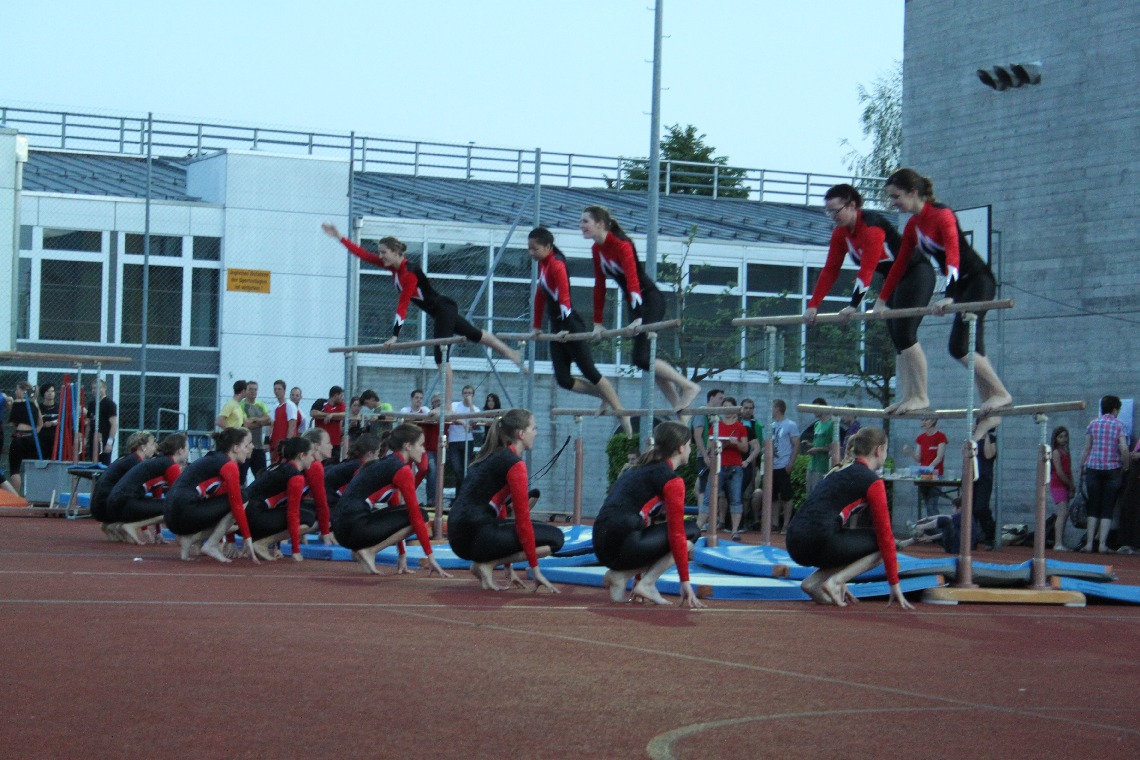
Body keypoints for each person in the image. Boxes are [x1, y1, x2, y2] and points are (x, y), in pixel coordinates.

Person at [875, 168, 1012, 414]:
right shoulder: (913, 225)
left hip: (977, 281)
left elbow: (953, 256)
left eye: (896, 196)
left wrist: (948, 294)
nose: (893, 202)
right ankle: (987, 408)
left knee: (959, 347)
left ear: (913, 192)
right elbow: (898, 266)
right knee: (970, 347)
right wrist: (882, 300)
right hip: (962, 285)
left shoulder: (942, 215)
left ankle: (1001, 393)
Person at [322, 224, 523, 368]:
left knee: (440, 357)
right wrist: (339, 237)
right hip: (440, 310)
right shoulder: (392, 267)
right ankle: (510, 352)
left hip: (443, 308)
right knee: (475, 335)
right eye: (379, 253)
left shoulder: (409, 273)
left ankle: (447, 407)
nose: (380, 256)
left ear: (395, 252)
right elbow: (363, 254)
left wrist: (394, 336)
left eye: (383, 252)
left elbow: (403, 305)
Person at [579, 205, 700, 413]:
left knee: (642, 358)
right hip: (635, 304)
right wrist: (597, 323)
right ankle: (679, 408)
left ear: (599, 224)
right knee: (645, 361)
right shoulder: (596, 250)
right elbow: (599, 286)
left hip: (649, 300)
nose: (581, 226)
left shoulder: (622, 244)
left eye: (585, 221)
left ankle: (688, 386)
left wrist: (639, 316)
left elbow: (632, 278)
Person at [786, 426, 913, 610]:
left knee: (850, 538)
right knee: (883, 543)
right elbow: (885, 535)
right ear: (879, 450)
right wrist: (894, 583)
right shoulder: (872, 481)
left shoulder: (838, 470)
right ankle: (834, 582)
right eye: (886, 449)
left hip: (794, 542)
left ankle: (813, 582)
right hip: (818, 540)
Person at [527, 226, 632, 435]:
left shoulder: (557, 264)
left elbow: (564, 297)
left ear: (548, 247)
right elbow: (540, 296)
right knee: (564, 380)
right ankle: (604, 396)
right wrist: (536, 327)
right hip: (557, 327)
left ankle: (623, 414)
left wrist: (566, 328)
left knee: (590, 372)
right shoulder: (543, 265)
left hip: (570, 324)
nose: (531, 253)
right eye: (529, 249)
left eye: (535, 249)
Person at [447, 409, 562, 592]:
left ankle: (485, 563)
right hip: (476, 536)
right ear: (521, 434)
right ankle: (487, 564)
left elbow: (498, 509)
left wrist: (509, 568)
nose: (536, 433)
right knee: (556, 538)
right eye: (534, 428)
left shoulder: (490, 456)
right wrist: (535, 570)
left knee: (523, 527)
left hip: (458, 538)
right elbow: (522, 521)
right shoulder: (514, 464)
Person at [594, 420, 704, 608]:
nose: (690, 450)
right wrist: (685, 581)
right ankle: (648, 583)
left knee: (665, 533)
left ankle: (621, 576)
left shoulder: (636, 469)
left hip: (601, 544)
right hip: (622, 544)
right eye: (689, 445)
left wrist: (636, 577)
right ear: (680, 448)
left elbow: (643, 518)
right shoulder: (671, 480)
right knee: (690, 531)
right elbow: (676, 534)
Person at [332, 423, 451, 577]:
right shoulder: (401, 470)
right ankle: (370, 551)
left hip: (342, 527)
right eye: (421, 445)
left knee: (408, 513)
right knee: (422, 515)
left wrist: (402, 554)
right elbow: (415, 515)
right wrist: (431, 557)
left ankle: (367, 551)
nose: (423, 450)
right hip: (352, 527)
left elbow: (396, 512)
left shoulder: (388, 464)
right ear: (408, 446)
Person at [805, 183, 902, 324]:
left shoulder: (871, 228)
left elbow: (867, 270)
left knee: (903, 332)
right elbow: (830, 270)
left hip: (914, 269)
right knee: (896, 331)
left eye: (836, 211)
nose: (832, 216)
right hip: (892, 278)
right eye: (829, 212)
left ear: (851, 205)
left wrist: (853, 305)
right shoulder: (840, 233)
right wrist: (813, 304)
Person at [165, 427, 258, 564]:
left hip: (170, 515)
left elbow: (220, 504)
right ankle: (211, 545)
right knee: (243, 497)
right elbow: (236, 504)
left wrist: (232, 540)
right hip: (184, 511)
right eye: (247, 444)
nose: (251, 447)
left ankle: (189, 539)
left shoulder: (213, 459)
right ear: (236, 448)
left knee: (233, 523)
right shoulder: (229, 465)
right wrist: (247, 538)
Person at [244, 436, 332, 562]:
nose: (313, 459)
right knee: (307, 516)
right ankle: (261, 543)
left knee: (303, 513)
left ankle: (260, 542)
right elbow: (292, 513)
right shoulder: (296, 476)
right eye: (311, 455)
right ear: (302, 456)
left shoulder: (281, 468)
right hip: (254, 518)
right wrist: (295, 550)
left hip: (247, 518)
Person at [106, 433, 188, 545]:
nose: (188, 451)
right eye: (187, 448)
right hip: (124, 502)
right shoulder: (171, 466)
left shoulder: (158, 461)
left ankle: (122, 525)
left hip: (116, 501)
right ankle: (132, 525)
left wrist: (158, 533)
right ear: (180, 451)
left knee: (165, 505)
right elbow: (178, 498)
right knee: (176, 507)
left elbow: (157, 498)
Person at [1079, 395, 1129, 553]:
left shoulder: (1093, 424)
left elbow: (1086, 448)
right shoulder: (1119, 425)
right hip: (1112, 468)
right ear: (1115, 410)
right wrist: (1125, 465)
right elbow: (1124, 449)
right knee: (1108, 507)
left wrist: (1082, 467)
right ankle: (1102, 544)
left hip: (1093, 467)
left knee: (1093, 506)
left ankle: (1088, 543)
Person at [90, 431, 157, 540]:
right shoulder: (136, 464)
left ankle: (110, 524)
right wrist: (144, 528)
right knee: (145, 502)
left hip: (98, 505)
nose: (155, 447)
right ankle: (116, 524)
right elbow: (137, 494)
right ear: (143, 447)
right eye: (152, 444)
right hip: (105, 507)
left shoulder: (126, 458)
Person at [697, 397, 749, 539]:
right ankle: (698, 527)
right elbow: (709, 446)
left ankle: (734, 531)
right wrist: (716, 445)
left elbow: (745, 448)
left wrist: (735, 443)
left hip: (734, 466)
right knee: (708, 497)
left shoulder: (740, 427)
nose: (726, 410)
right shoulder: (716, 425)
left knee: (735, 498)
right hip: (718, 466)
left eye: (729, 407)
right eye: (724, 407)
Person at [323, 433, 383, 512]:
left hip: (331, 500)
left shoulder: (355, 462)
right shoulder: (359, 467)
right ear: (370, 453)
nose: (378, 458)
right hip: (332, 505)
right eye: (378, 453)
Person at [902, 417, 947, 518]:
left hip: (936, 474)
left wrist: (928, 468)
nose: (923, 422)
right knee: (928, 504)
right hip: (924, 475)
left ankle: (936, 525)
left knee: (932, 505)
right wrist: (910, 452)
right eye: (922, 420)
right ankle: (931, 525)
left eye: (926, 419)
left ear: (933, 420)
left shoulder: (940, 436)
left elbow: (939, 457)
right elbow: (918, 458)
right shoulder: (921, 438)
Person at [770, 399, 800, 532]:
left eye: (772, 407)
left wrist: (791, 462)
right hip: (772, 465)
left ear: (777, 409)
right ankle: (775, 523)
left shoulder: (790, 425)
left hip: (783, 464)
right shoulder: (771, 425)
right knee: (773, 496)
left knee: (786, 495)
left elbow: (796, 444)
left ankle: (786, 523)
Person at [972, 416, 1001, 547]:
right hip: (972, 477)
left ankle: (990, 536)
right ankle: (972, 539)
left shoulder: (992, 439)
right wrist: (974, 435)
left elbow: (989, 455)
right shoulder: (974, 438)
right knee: (971, 509)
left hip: (985, 477)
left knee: (981, 507)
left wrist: (986, 435)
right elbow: (965, 452)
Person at [7, 381, 42, 492]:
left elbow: (12, 423)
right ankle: (33, 495)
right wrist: (33, 434)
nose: (15, 392)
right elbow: (40, 424)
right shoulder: (35, 404)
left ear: (23, 391)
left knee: (15, 469)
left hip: (19, 437)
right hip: (32, 438)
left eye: (17, 389)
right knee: (33, 468)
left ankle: (15, 495)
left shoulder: (16, 403)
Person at [216, 380, 250, 480]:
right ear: (243, 391)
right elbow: (219, 420)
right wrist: (231, 433)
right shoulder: (231, 404)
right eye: (247, 390)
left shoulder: (238, 405)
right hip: (231, 442)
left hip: (236, 442)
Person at [448, 385, 480, 493]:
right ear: (462, 394)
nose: (467, 395)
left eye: (469, 393)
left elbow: (475, 420)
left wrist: (470, 404)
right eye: (465, 393)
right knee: (457, 469)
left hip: (467, 440)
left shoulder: (475, 409)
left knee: (466, 469)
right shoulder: (455, 405)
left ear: (473, 395)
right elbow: (451, 415)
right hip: (454, 440)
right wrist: (463, 423)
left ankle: (461, 494)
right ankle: (462, 493)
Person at [804, 398, 837, 497]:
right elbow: (817, 443)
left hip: (822, 466)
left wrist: (817, 449)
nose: (814, 411)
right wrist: (810, 445)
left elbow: (833, 448)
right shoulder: (817, 424)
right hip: (812, 465)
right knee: (809, 494)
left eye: (816, 408)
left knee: (817, 495)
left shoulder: (831, 425)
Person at [1049, 426, 1075, 551]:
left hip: (1065, 483)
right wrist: (1070, 484)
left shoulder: (1066, 451)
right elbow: (1059, 472)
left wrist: (1072, 485)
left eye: (1065, 436)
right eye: (1060, 437)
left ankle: (1060, 542)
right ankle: (1058, 543)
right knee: (1062, 512)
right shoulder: (1055, 452)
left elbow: (1069, 470)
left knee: (1065, 513)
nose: (1064, 439)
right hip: (1058, 483)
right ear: (1055, 439)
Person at [739, 398, 763, 529]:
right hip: (736, 462)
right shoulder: (736, 422)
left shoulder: (757, 425)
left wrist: (752, 463)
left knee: (748, 493)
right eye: (746, 408)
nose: (748, 410)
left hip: (751, 464)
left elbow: (758, 446)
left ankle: (746, 519)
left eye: (750, 408)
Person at [242, 381, 271, 477]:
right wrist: (261, 422)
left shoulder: (260, 404)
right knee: (241, 477)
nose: (253, 391)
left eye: (255, 389)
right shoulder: (242, 405)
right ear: (246, 390)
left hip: (259, 446)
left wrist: (254, 419)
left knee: (262, 476)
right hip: (245, 447)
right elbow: (247, 424)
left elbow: (269, 421)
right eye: (250, 389)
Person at [311, 386, 346, 465]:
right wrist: (327, 415)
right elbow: (313, 413)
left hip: (335, 443)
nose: (342, 398)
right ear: (335, 395)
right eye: (341, 396)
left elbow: (344, 415)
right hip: (321, 442)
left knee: (334, 465)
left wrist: (332, 415)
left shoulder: (341, 405)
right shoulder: (321, 402)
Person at [269, 379, 299, 463]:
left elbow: (292, 426)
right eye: (275, 389)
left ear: (284, 390)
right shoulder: (275, 406)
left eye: (279, 389)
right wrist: (267, 441)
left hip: (283, 444)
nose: (277, 391)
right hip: (275, 442)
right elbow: (271, 424)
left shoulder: (290, 405)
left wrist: (286, 445)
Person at [37, 383, 61, 460]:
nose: (50, 393)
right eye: (47, 391)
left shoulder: (60, 407)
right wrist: (43, 425)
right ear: (43, 393)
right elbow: (34, 423)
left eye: (52, 391)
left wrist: (54, 423)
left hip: (56, 439)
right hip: (42, 439)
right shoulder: (38, 407)